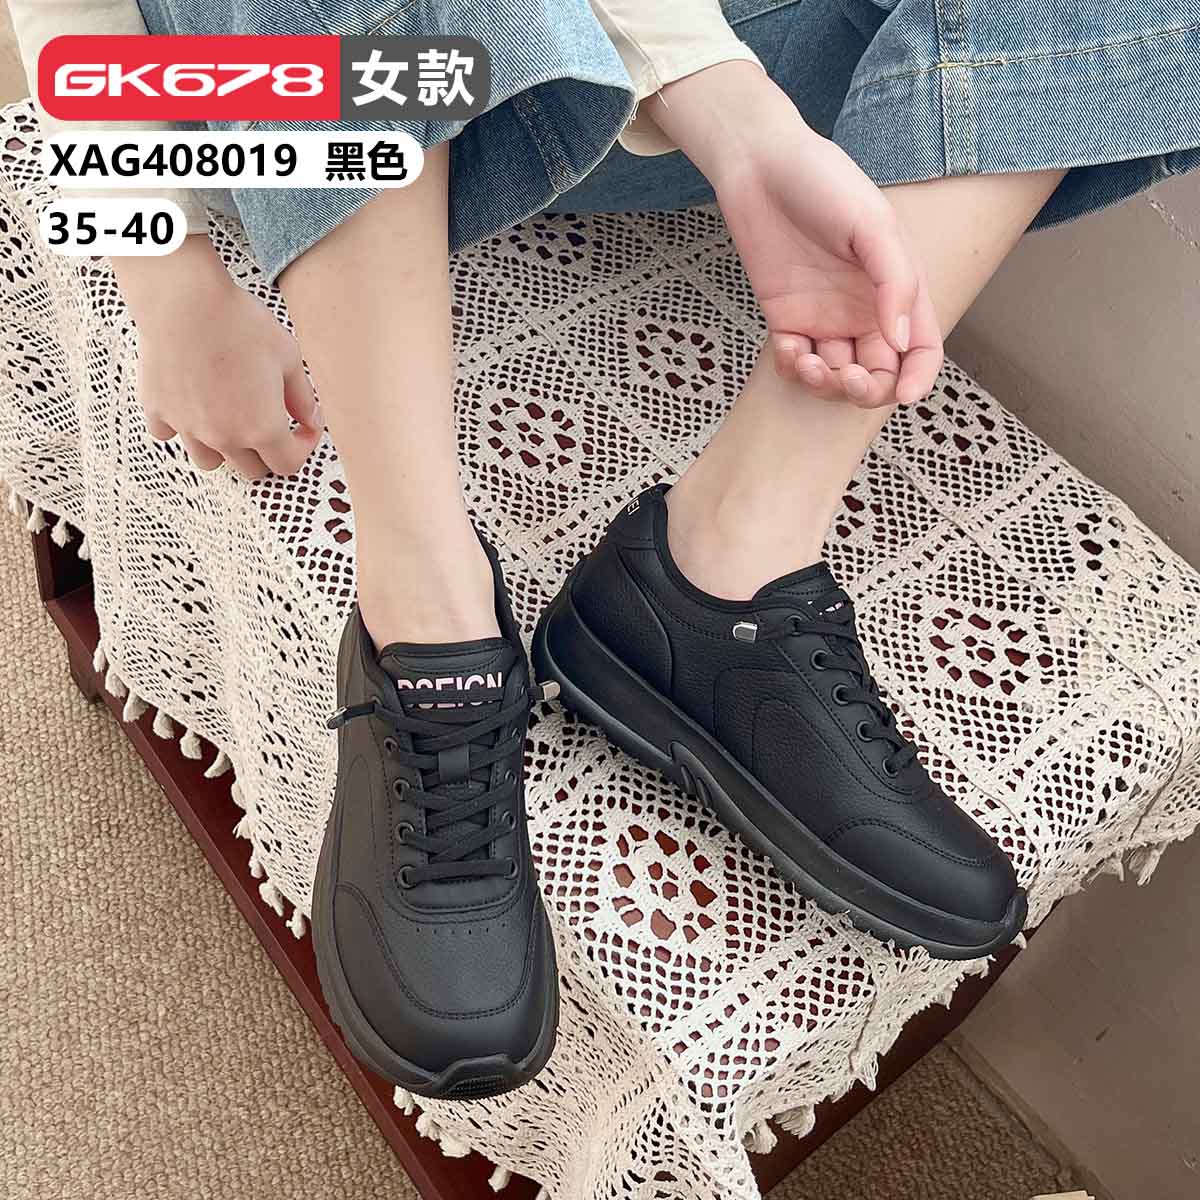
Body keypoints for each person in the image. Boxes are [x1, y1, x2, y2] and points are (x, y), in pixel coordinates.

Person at [12, 0, 1200, 1099]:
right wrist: (161, 272)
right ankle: (426, 618)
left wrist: (734, 117)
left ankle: (727, 564)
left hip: (617, 67)